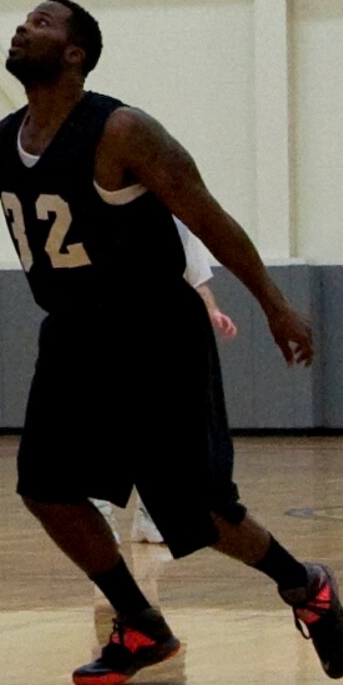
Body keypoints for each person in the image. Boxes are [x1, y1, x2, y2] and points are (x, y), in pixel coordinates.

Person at [0, 0, 343, 685]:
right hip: (74, 333)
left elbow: (211, 218)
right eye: (25, 20)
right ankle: (139, 622)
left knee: (200, 510)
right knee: (46, 487)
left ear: (74, 54)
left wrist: (275, 305)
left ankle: (304, 584)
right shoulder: (4, 140)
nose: (21, 28)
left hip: (155, 332)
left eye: (42, 23)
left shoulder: (121, 131)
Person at [103, 220, 237, 547]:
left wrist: (212, 311)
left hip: (164, 341)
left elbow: (198, 279)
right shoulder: (104, 209)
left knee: (159, 433)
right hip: (110, 331)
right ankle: (101, 513)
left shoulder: (180, 219)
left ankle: (151, 516)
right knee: (107, 429)